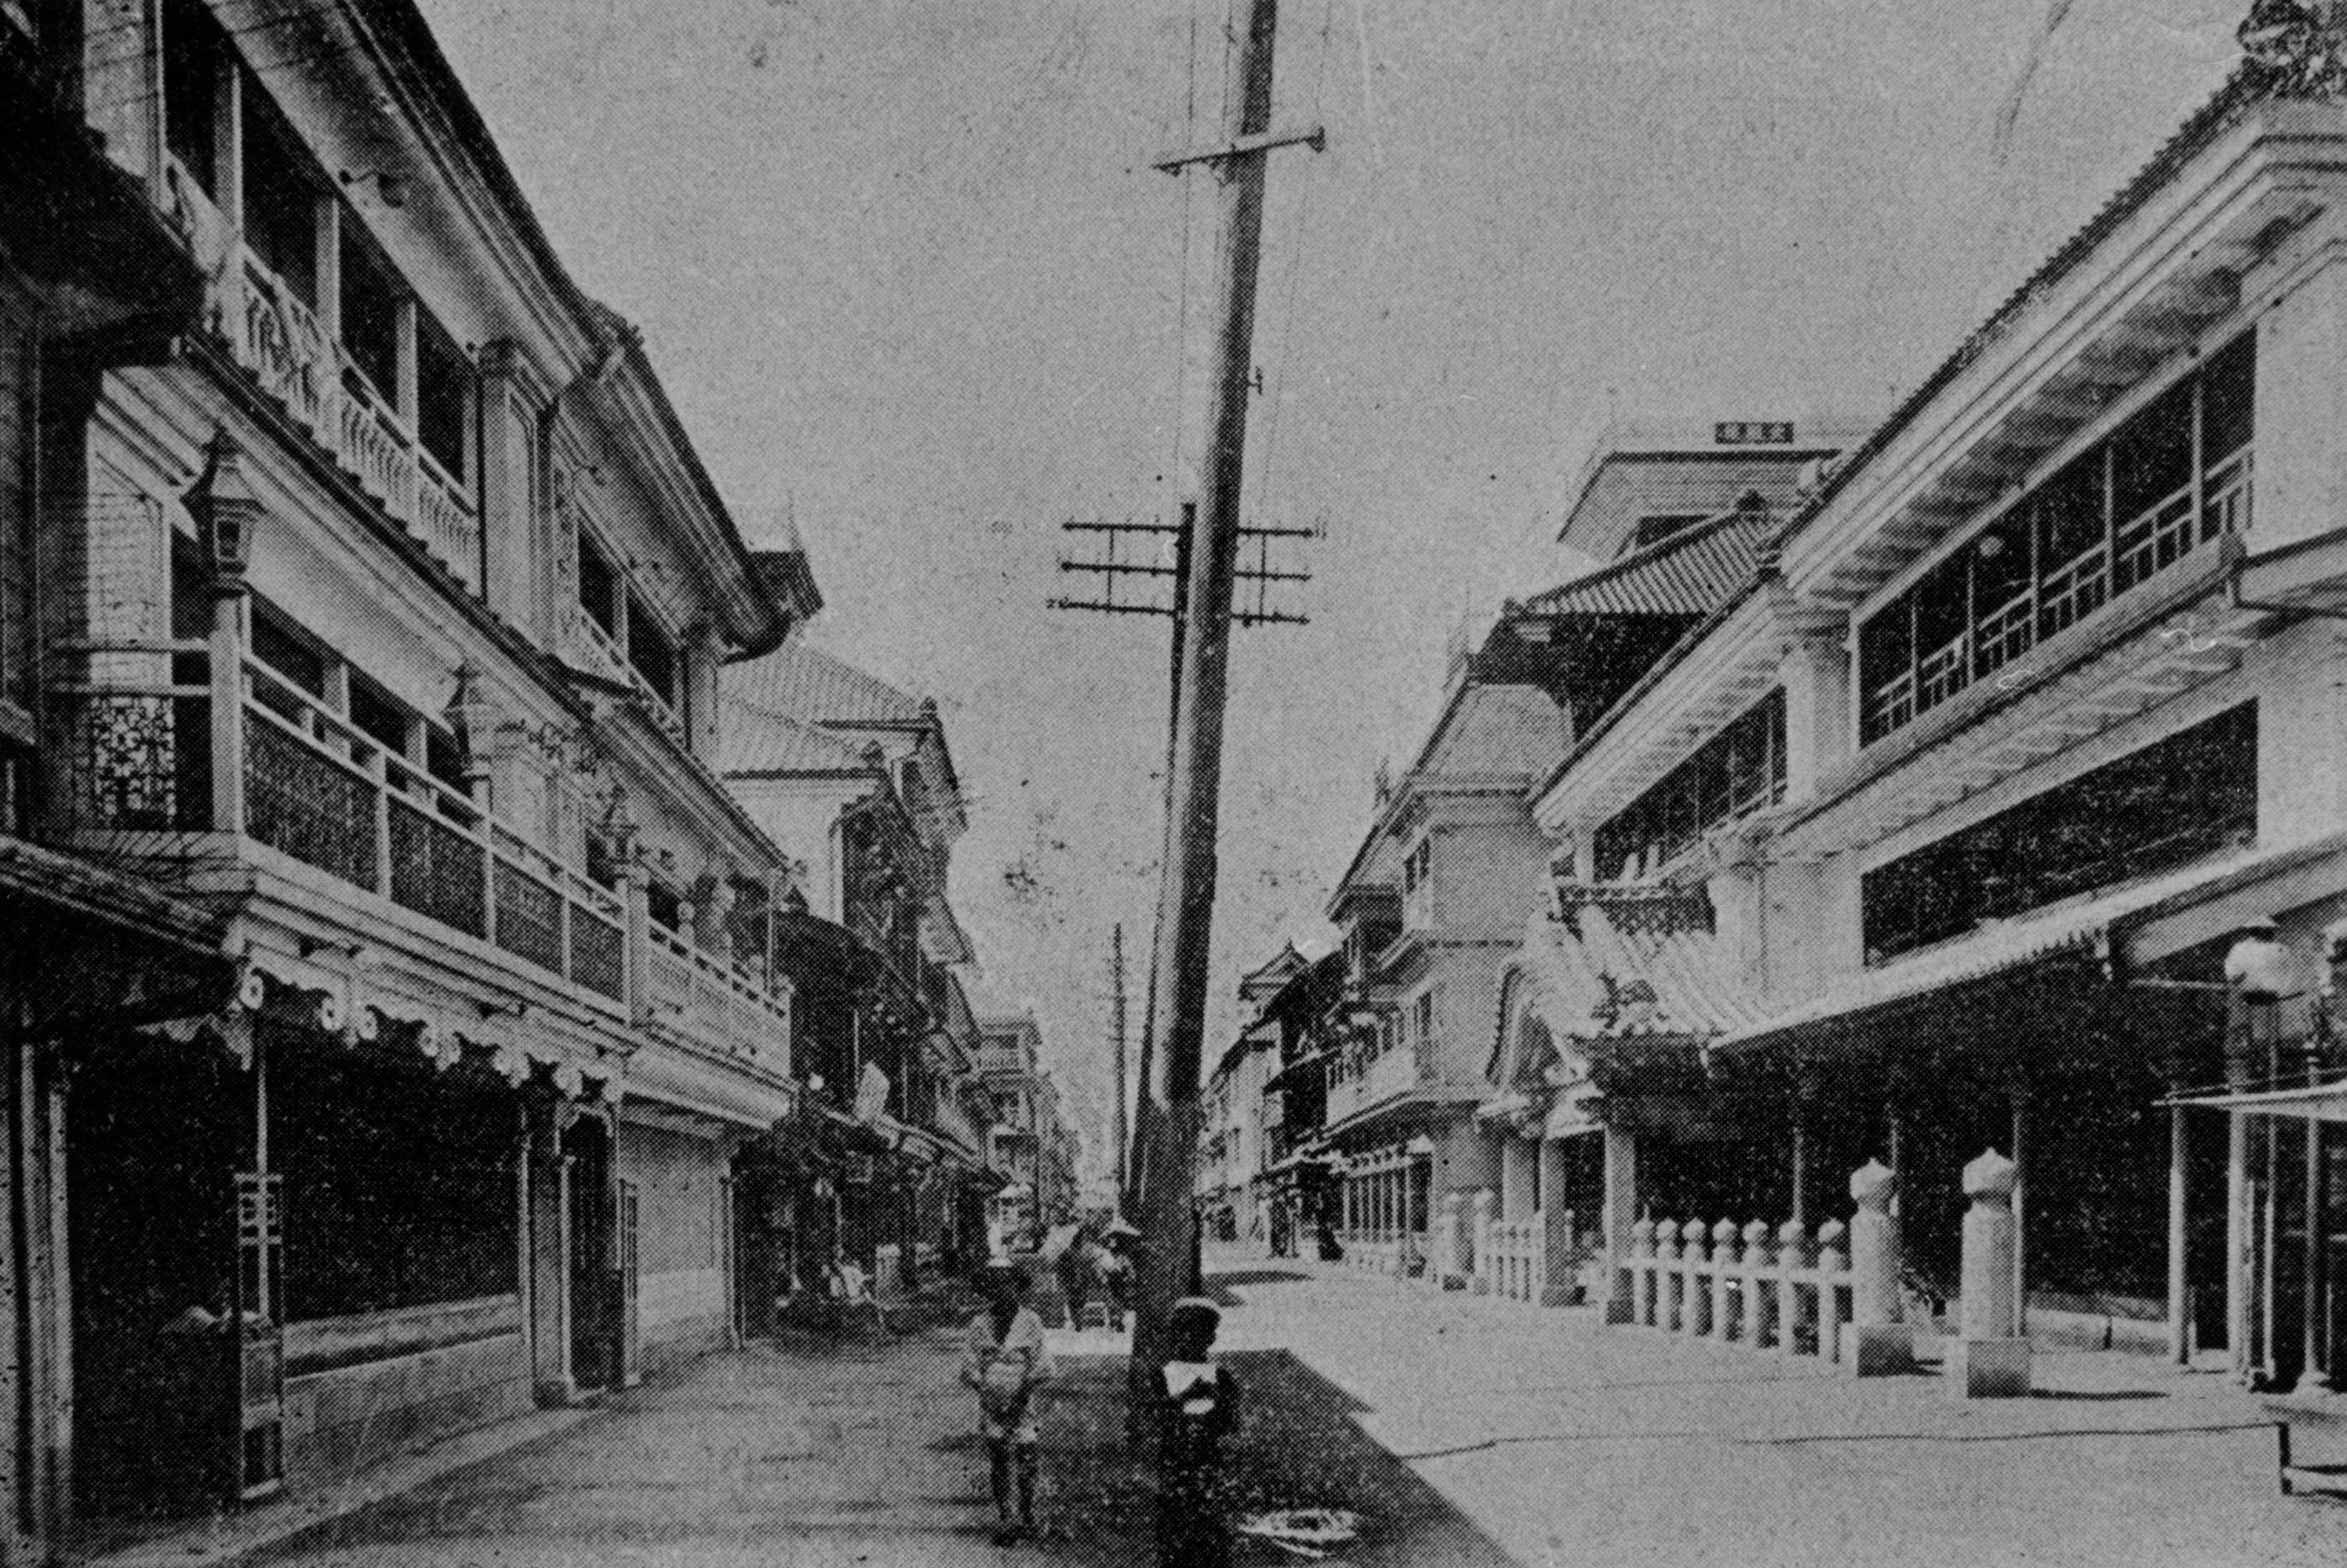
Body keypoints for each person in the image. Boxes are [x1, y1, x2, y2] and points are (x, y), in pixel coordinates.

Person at [962, 1260, 1053, 1545]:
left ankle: (1027, 1512)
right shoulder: (979, 1324)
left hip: (1022, 1399)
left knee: (1027, 1453)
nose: (1002, 1291)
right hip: (991, 1401)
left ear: (1018, 1287)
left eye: (1008, 1284)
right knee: (999, 1457)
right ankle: (1006, 1516)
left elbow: (1042, 1365)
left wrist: (1022, 1394)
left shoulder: (1031, 1321)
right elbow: (970, 1366)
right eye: (995, 1285)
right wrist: (985, 1392)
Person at [1156, 1296, 1240, 1568]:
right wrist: (1183, 1398)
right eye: (1183, 1332)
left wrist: (1217, 1403)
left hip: (1208, 1463)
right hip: (1174, 1465)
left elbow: (1230, 1424)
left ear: (1211, 1339)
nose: (1189, 1340)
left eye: (1199, 1334)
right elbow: (1154, 1418)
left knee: (1210, 1537)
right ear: (1174, 1335)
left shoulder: (1221, 1377)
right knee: (1175, 1535)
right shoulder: (1162, 1375)